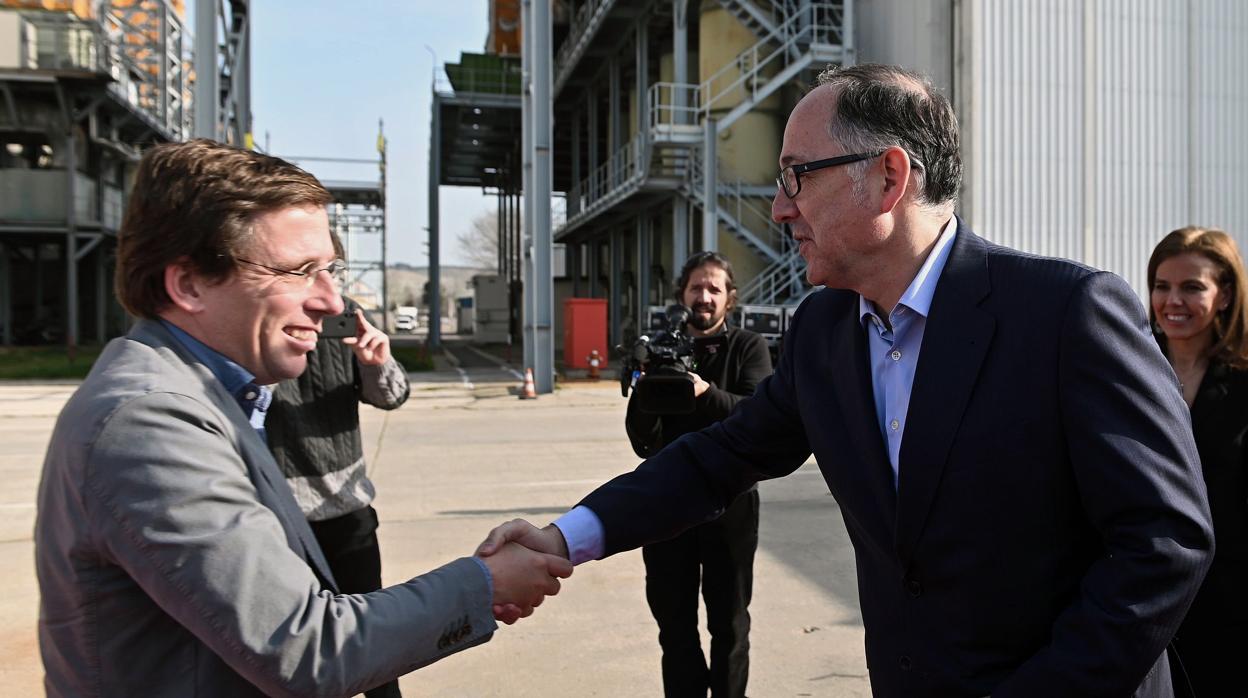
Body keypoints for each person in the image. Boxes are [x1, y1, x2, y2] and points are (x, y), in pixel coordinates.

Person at [479, 64, 1214, 697]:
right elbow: (718, 458)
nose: (779, 207)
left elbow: (1165, 542)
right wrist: (563, 536)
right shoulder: (825, 332)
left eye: (797, 175)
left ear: (889, 178)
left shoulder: (1065, 314)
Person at [34, 139, 571, 698]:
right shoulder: (152, 423)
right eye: (298, 271)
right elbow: (308, 648)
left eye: (330, 270)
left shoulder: (214, 393)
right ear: (188, 284)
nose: (332, 301)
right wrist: (484, 584)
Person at [626, 251, 772, 698]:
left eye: (714, 288)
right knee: (674, 627)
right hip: (666, 505)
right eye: (696, 288)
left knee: (729, 625)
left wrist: (702, 390)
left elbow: (756, 417)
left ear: (730, 298)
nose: (704, 297)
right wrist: (648, 381)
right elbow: (643, 440)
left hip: (730, 503)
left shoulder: (748, 346)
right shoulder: (661, 347)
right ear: (682, 296)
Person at [267, 282, 409, 698]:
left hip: (346, 513)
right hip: (278, 520)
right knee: (294, 648)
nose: (326, 290)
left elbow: (393, 396)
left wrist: (375, 362)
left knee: (370, 635)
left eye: (331, 270)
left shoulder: (346, 315)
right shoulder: (257, 322)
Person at [1148, 227, 1248, 698]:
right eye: (1162, 286)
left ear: (1225, 295)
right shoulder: (1128, 366)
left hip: (1231, 603)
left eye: (1192, 287)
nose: (1172, 301)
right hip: (1146, 598)